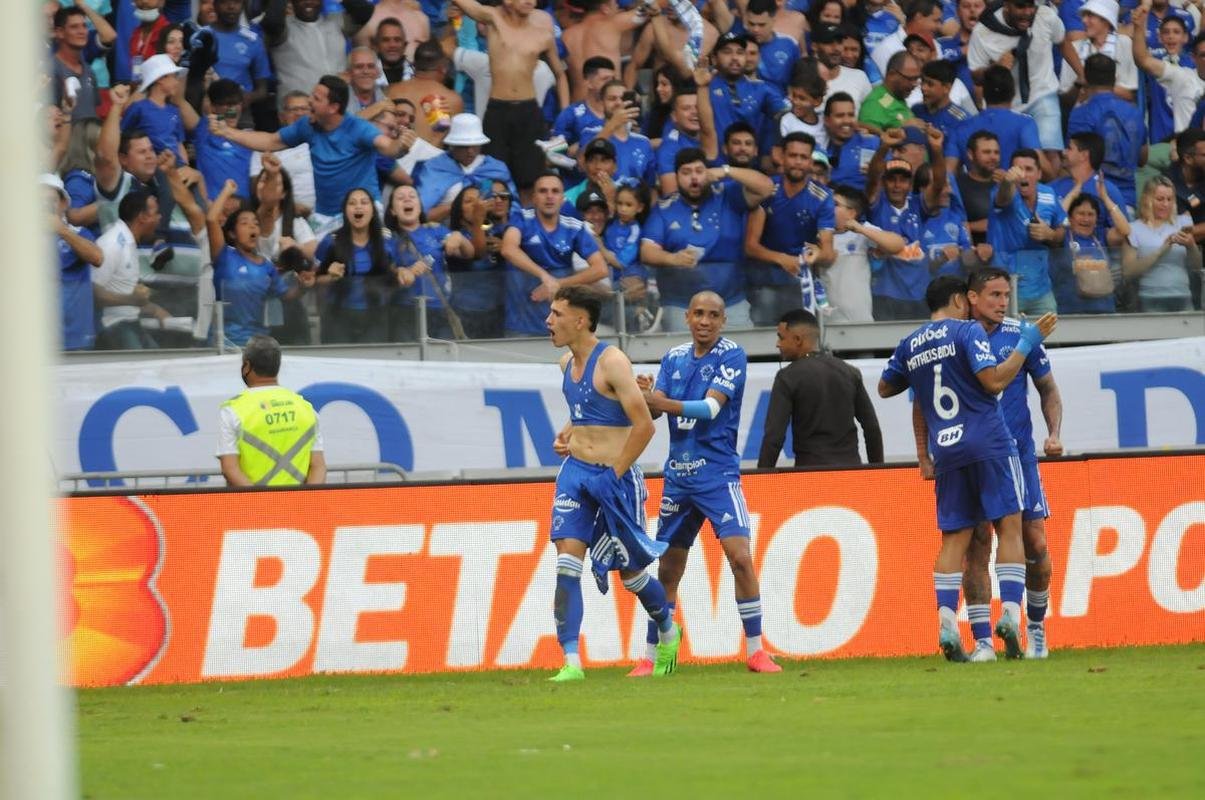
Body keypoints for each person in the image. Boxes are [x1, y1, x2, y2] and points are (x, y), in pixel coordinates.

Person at [879, 275, 1057, 662]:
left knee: (954, 541)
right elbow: (993, 383)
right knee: (1008, 528)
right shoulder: (968, 331)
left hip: (947, 450)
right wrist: (1026, 344)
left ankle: (947, 622)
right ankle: (1008, 616)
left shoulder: (910, 342)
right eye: (995, 294)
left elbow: (885, 388)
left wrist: (922, 368)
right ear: (963, 300)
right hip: (990, 443)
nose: (1002, 301)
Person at [631, 291, 781, 676]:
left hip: (717, 475)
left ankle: (756, 650)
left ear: (723, 321)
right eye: (698, 313)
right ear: (687, 316)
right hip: (678, 478)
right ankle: (653, 655)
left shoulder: (732, 355)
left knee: (740, 557)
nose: (705, 321)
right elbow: (654, 408)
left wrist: (657, 402)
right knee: (668, 570)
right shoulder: (674, 358)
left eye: (713, 315)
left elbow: (710, 408)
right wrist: (646, 395)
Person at [546, 286, 681, 681]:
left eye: (556, 314)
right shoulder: (565, 363)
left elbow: (644, 426)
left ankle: (668, 629)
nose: (549, 321)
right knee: (567, 563)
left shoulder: (614, 363)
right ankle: (571, 662)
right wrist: (568, 432)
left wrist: (615, 473)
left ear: (580, 320)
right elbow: (586, 408)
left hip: (616, 478)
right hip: (575, 476)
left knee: (632, 575)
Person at [941, 268, 1063, 661]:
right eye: (994, 295)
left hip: (1019, 455)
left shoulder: (1020, 334)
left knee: (1036, 542)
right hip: (975, 455)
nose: (1002, 302)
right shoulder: (956, 338)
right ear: (972, 298)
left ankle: (1035, 627)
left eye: (1006, 295)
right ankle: (982, 642)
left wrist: (1053, 433)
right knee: (977, 545)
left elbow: (1048, 389)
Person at [207, 75, 409, 222]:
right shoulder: (307, 125)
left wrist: (401, 145)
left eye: (317, 99)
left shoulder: (358, 128)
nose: (310, 101)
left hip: (363, 211)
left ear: (333, 108)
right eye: (312, 95)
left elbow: (389, 148)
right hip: (324, 216)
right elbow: (270, 141)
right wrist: (228, 132)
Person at [640, 147, 774, 331]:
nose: (694, 178)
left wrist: (726, 171)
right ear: (676, 177)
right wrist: (673, 258)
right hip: (681, 306)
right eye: (686, 173)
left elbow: (766, 188)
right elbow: (647, 252)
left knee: (739, 349)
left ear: (709, 172)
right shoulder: (664, 208)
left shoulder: (728, 195)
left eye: (699, 171)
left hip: (731, 303)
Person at [450, 0, 570, 202]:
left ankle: (527, 220)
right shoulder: (494, 19)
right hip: (497, 111)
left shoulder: (543, 35)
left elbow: (560, 74)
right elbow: (468, 6)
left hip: (528, 112)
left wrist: (565, 114)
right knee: (493, 179)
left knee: (530, 179)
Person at [757, 308, 883, 468]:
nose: (778, 344)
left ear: (797, 339)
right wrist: (877, 471)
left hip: (811, 473)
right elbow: (872, 428)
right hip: (851, 471)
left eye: (781, 337)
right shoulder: (850, 372)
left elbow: (774, 437)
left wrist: (762, 476)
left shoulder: (787, 377)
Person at [743, 132, 836, 327]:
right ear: (782, 157)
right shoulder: (768, 190)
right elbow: (750, 246)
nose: (798, 162)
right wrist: (783, 259)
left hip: (801, 285)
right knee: (763, 340)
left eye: (804, 157)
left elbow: (828, 252)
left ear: (810, 161)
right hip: (764, 282)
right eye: (793, 156)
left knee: (801, 338)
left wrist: (817, 254)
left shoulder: (822, 197)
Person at [208, 178, 315, 346]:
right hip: (225, 342)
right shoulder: (224, 256)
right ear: (232, 233)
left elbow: (286, 295)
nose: (252, 227)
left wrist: (302, 287)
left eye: (256, 223)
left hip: (257, 343)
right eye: (245, 223)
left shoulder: (266, 266)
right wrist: (226, 191)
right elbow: (211, 220)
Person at [501, 172, 608, 337]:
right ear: (534, 198)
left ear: (563, 198)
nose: (549, 196)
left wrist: (558, 284)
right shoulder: (520, 218)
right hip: (520, 323)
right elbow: (508, 249)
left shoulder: (574, 227)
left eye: (555, 191)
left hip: (560, 324)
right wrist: (545, 277)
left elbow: (600, 269)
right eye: (543, 191)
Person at [967, 0, 1067, 175]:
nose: (1027, 12)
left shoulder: (1045, 16)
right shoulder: (983, 31)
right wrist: (995, 67)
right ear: (1007, 5)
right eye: (1020, 6)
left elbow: (1062, 41)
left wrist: (1082, 75)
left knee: (1050, 153)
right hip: (1006, 104)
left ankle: (1051, 190)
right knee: (1006, 158)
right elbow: (976, 77)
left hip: (1042, 92)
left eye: (1030, 6)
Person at [217, 334, 327, 487]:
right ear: (277, 366)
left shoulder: (232, 410)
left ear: (247, 366)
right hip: (299, 501)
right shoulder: (305, 408)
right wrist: (307, 499)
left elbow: (230, 469)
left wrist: (263, 499)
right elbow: (318, 466)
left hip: (252, 502)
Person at [988, 148, 1066, 315]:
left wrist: (1050, 234)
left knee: (1049, 330)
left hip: (1041, 288)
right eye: (1018, 169)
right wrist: (1007, 182)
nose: (1022, 175)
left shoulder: (1049, 194)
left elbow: (1062, 230)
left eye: (1029, 169)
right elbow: (1003, 199)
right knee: (1007, 332)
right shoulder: (1003, 191)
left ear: (1039, 174)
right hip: (1006, 287)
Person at [1066, 55, 1146, 213]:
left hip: (1090, 204)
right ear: (1115, 78)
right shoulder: (1135, 113)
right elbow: (1143, 158)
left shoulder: (1080, 114)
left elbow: (1073, 160)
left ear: (1085, 79)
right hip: (1127, 202)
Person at [93, 191, 171, 350]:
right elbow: (94, 293)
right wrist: (132, 300)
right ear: (142, 217)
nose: (160, 217)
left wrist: (155, 309)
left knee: (158, 359)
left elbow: (125, 291)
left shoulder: (128, 241)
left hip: (130, 323)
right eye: (156, 213)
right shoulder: (112, 244)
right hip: (114, 327)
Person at [413, 113, 515, 223]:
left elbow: (514, 209)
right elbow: (420, 215)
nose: (470, 151)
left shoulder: (495, 168)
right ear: (452, 145)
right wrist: (458, 205)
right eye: (464, 146)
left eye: (475, 145)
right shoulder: (433, 168)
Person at [262, 0, 374, 98]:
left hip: (338, 106)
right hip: (299, 108)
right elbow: (272, 21)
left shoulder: (336, 21)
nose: (309, 2)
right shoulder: (282, 29)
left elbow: (365, 11)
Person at [1121, 176, 1201, 312]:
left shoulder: (1183, 222)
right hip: (1149, 297)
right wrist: (1161, 251)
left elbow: (1196, 266)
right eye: (1160, 199)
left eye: (1169, 199)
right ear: (1147, 199)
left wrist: (1191, 245)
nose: (1165, 204)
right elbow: (1128, 272)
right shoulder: (1134, 229)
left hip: (1182, 295)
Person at [47, 173, 104, 351]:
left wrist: (62, 231)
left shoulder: (78, 233)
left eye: (51, 201)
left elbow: (97, 258)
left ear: (63, 203)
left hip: (76, 337)